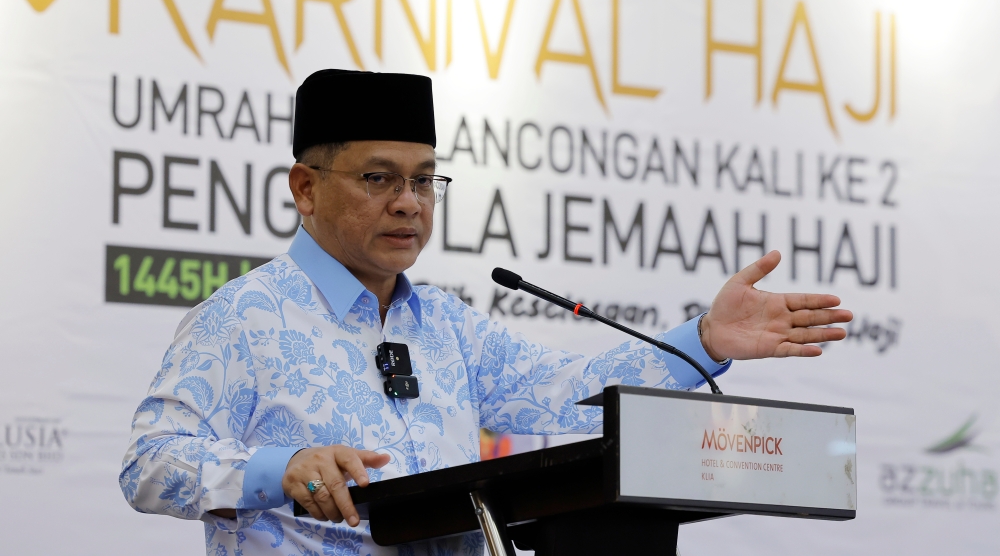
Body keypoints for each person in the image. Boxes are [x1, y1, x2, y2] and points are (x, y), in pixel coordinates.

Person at [120, 69, 851, 556]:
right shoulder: (242, 317)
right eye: (378, 178)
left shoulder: (447, 324)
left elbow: (571, 391)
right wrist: (280, 469)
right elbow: (150, 464)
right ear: (305, 188)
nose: (409, 201)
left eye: (424, 179)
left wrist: (701, 341)